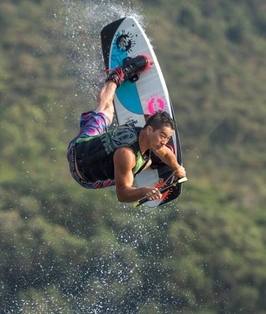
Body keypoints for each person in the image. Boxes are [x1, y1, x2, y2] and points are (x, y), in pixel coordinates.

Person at [67, 55, 186, 203]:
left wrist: (176, 167)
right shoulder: (126, 155)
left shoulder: (142, 133)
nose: (165, 141)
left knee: (105, 112)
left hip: (79, 147)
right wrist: (144, 191)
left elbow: (165, 152)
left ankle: (115, 77)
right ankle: (117, 75)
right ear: (149, 130)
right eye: (163, 135)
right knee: (142, 163)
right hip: (83, 175)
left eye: (167, 138)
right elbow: (122, 195)